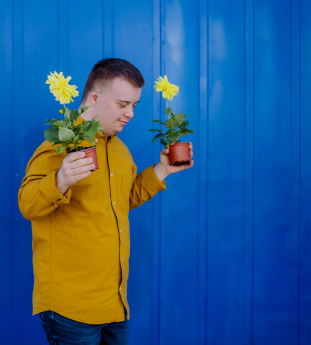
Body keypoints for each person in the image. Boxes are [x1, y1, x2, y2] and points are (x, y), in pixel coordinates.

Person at [17, 58, 194, 345]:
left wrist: (161, 170)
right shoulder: (61, 145)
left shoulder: (120, 150)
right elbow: (27, 204)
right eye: (123, 104)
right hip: (71, 308)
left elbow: (121, 201)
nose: (131, 114)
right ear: (95, 98)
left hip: (114, 302)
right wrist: (61, 178)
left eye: (134, 106)